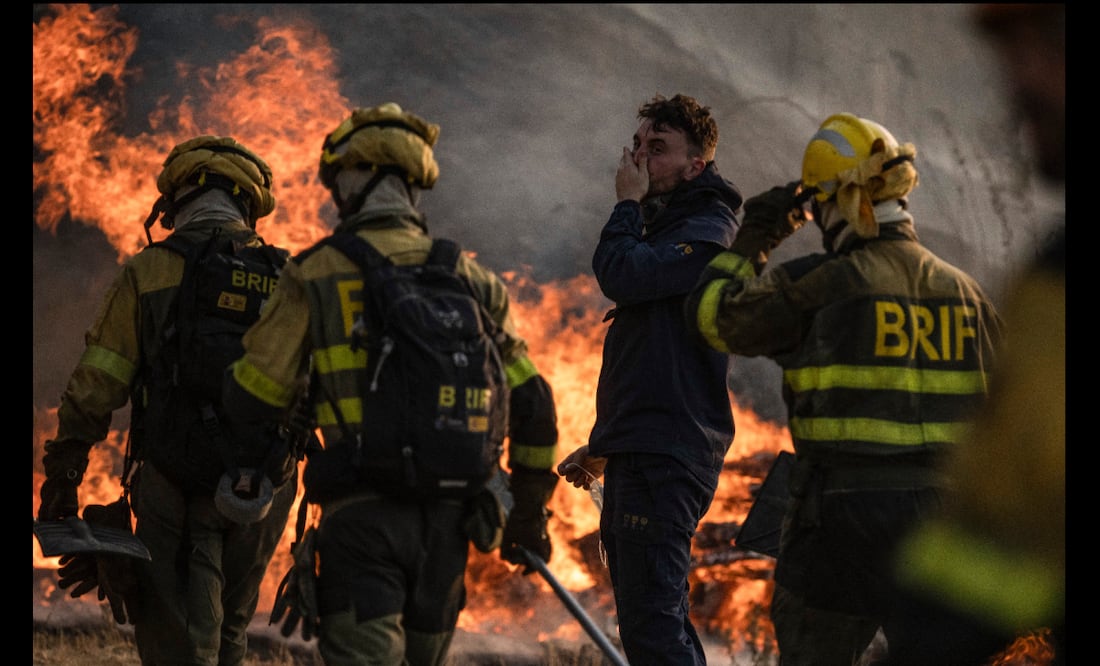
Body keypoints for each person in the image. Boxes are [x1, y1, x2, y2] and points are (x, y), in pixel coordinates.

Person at [221, 102, 560, 665]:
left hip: (363, 524)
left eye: (338, 182)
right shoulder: (473, 280)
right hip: (448, 532)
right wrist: (528, 516)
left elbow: (255, 394)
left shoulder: (316, 272)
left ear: (356, 179)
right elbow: (535, 406)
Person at [683, 112, 1005, 664]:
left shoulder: (822, 282)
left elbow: (712, 320)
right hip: (943, 530)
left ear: (839, 203)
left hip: (838, 525)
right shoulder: (969, 295)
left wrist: (755, 238)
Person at [36, 136, 299, 665]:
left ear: (174, 201)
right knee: (231, 627)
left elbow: (98, 384)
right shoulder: (291, 276)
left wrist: (63, 478)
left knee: (173, 636)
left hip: (173, 478)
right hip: (264, 484)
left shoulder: (150, 270)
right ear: (250, 205)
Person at [884, 4, 1065, 664]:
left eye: (1043, 52)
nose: (1021, 87)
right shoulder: (1041, 278)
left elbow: (1006, 527)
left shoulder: (1056, 285)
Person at [557, 93, 741, 665]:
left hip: (666, 458)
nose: (639, 160)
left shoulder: (706, 233)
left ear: (697, 166)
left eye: (658, 149)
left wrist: (626, 207)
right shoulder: (671, 228)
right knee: (657, 625)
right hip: (645, 449)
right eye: (637, 145)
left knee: (654, 632)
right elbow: (658, 359)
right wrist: (607, 443)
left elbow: (622, 274)